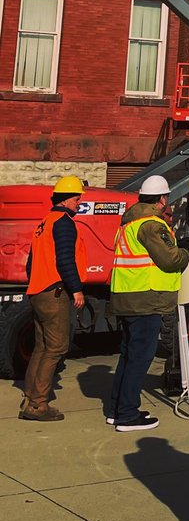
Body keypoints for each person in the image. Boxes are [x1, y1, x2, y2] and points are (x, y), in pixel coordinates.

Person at [107, 174, 189, 432]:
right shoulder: (151, 225)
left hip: (128, 296)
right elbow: (170, 259)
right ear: (162, 199)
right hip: (146, 298)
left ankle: (116, 409)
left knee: (129, 355)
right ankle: (128, 415)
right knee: (140, 358)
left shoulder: (128, 223)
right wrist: (186, 252)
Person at [21, 174, 88, 421]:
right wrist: (77, 288)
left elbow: (31, 263)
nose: (79, 202)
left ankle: (30, 395)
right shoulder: (64, 223)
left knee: (42, 346)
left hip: (38, 290)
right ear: (70, 199)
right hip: (54, 291)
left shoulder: (45, 222)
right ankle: (38, 405)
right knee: (57, 347)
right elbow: (65, 260)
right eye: (78, 198)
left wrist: (37, 283)